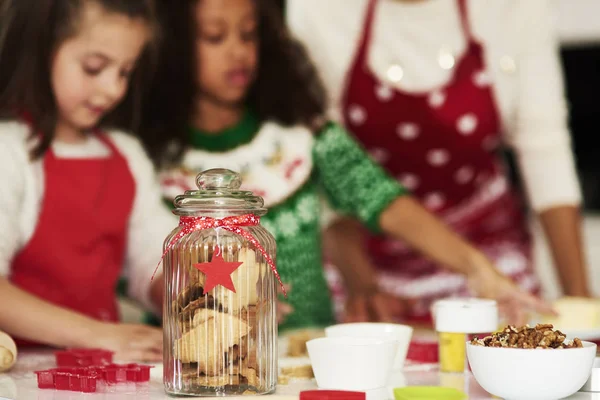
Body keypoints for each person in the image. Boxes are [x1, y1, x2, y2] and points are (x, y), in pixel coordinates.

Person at [138, 0, 553, 332]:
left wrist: (478, 270)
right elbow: (141, 267)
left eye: (249, 34)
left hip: (311, 363)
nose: (239, 51)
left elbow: (384, 200)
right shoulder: (147, 161)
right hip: (207, 368)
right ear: (171, 47)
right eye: (214, 36)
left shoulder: (301, 135)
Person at [287, 0, 591, 323]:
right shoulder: (317, 11)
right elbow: (337, 176)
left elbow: (545, 150)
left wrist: (584, 312)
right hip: (369, 268)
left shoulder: (514, 9)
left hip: (494, 271)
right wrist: (361, 283)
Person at [0, 0, 175, 361]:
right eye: (94, 68)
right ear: (41, 49)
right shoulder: (9, 151)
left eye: (125, 72)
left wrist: (199, 290)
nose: (113, 89)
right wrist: (97, 334)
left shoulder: (127, 156)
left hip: (103, 372)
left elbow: (155, 260)